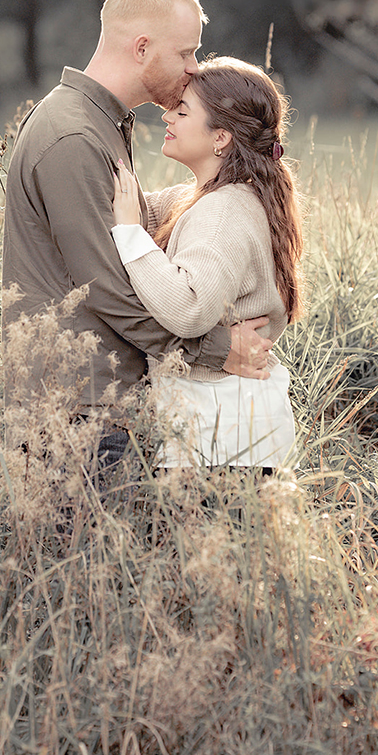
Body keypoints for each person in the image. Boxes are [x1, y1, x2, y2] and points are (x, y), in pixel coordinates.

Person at [2, 0, 275, 469]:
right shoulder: (74, 137)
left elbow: (131, 220)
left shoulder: (98, 123)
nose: (193, 69)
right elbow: (105, 287)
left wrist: (235, 189)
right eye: (186, 53)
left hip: (100, 407)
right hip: (77, 414)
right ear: (143, 48)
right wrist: (218, 349)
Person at [111, 54, 304, 470]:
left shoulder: (223, 213)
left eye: (182, 112)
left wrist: (128, 233)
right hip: (229, 427)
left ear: (221, 137)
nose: (167, 117)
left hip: (222, 434)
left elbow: (190, 307)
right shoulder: (211, 199)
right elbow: (153, 212)